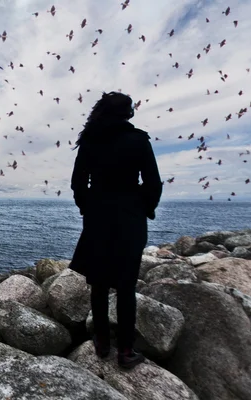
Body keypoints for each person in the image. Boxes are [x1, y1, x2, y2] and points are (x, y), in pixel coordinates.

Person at [68, 91, 163, 369]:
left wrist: (87, 207)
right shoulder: (138, 140)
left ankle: (101, 342)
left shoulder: (89, 141)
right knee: (125, 286)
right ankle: (125, 351)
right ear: (127, 112)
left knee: (98, 282)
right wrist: (145, 207)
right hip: (129, 218)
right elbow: (153, 183)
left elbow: (77, 183)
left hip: (98, 217)